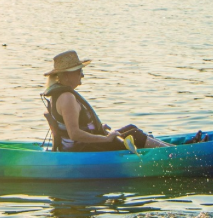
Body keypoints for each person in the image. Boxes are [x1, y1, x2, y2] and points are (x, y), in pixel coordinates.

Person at [40, 50, 169, 152]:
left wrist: (98, 128)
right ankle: (175, 153)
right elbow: (74, 134)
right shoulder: (67, 98)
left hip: (82, 146)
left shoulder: (61, 95)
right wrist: (105, 139)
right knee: (135, 135)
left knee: (131, 128)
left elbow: (76, 127)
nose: (82, 75)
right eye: (79, 71)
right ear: (67, 75)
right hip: (82, 150)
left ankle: (173, 149)